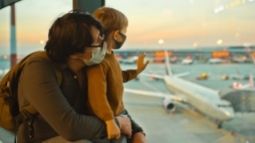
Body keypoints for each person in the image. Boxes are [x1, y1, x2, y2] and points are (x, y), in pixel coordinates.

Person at [16, 10, 132, 143]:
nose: (104, 42)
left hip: (80, 132)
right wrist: (116, 123)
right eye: (98, 42)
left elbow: (114, 103)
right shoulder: (38, 68)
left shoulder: (88, 65)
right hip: (41, 137)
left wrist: (137, 130)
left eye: (102, 35)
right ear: (75, 51)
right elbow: (70, 126)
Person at [85, 7, 148, 143]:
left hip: (119, 112)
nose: (125, 36)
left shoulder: (110, 56)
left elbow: (119, 77)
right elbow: (97, 96)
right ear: (116, 35)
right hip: (109, 118)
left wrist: (137, 71)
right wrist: (109, 121)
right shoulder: (99, 62)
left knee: (140, 136)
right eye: (124, 32)